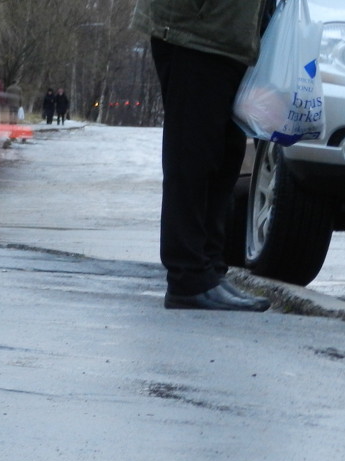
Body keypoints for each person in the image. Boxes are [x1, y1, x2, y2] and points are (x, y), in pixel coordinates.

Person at [132, 0, 271, 311]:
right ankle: (188, 277)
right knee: (193, 156)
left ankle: (209, 270)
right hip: (195, 31)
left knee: (225, 158)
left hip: (229, 38)